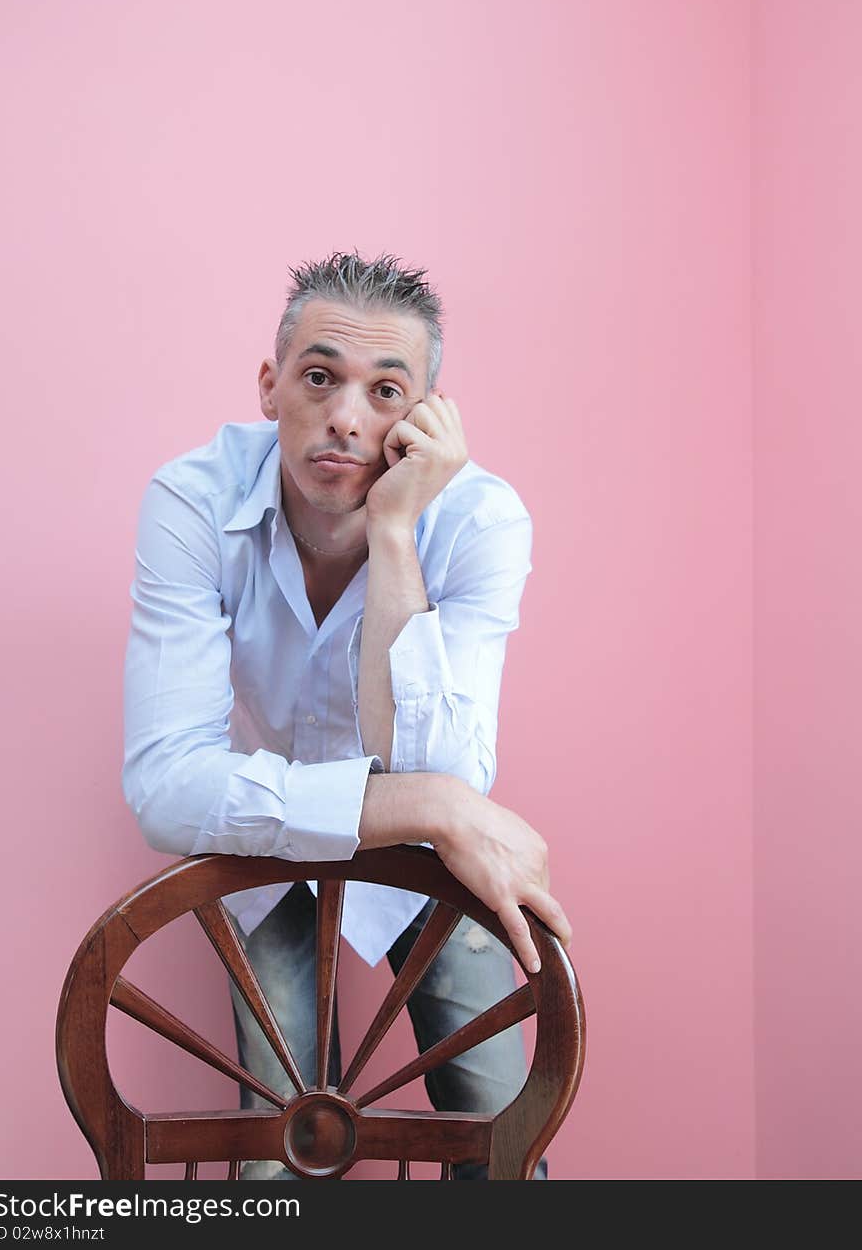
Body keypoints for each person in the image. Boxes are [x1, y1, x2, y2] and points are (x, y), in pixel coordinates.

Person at [122, 249, 572, 1179]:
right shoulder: (191, 502)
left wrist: (396, 531)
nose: (345, 418)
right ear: (269, 385)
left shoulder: (480, 520)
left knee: (499, 1133)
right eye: (319, 377)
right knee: (280, 1144)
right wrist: (433, 806)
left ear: (427, 416)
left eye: (386, 393)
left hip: (427, 858)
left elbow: (436, 759)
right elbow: (167, 787)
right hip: (265, 838)